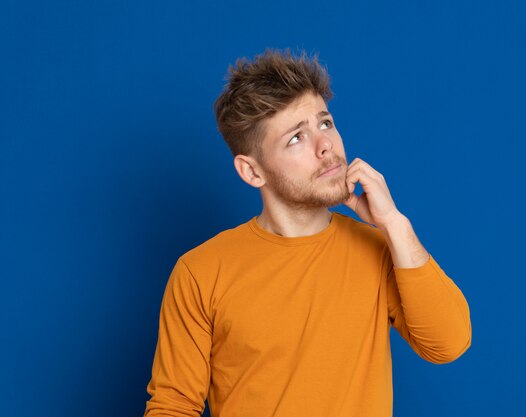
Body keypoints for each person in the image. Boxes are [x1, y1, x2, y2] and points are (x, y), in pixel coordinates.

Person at [143, 48, 472, 417]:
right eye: (296, 138)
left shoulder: (379, 248)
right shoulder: (201, 272)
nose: (326, 146)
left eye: (325, 123)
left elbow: (449, 344)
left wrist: (395, 224)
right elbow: (172, 405)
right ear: (252, 172)